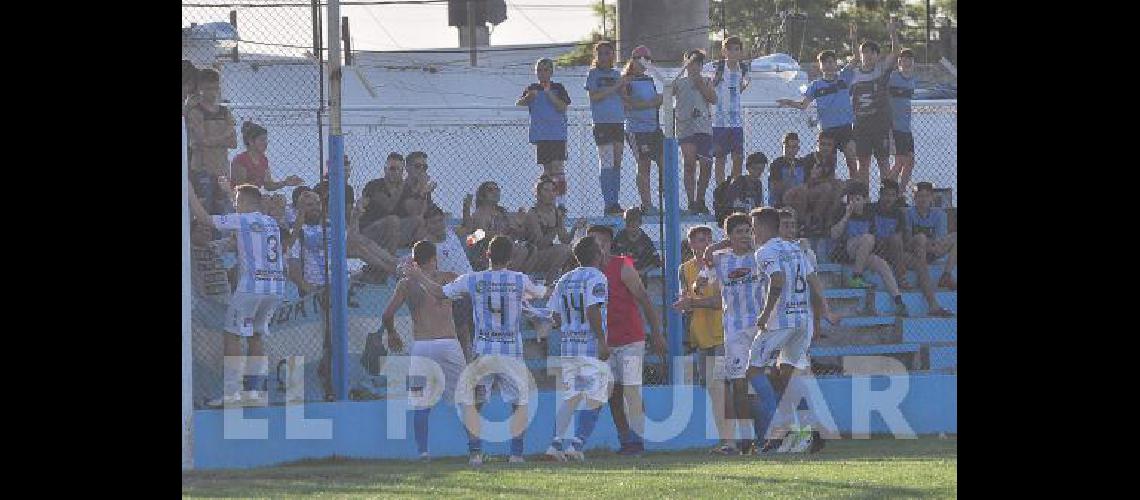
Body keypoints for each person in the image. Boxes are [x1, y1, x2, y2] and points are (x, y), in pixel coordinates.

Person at [403, 236, 549, 466]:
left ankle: (475, 454)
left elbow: (439, 292)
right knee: (519, 403)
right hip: (511, 352)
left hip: (484, 351)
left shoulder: (472, 280)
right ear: (511, 258)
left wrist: (418, 274)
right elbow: (542, 293)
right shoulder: (520, 280)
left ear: (487, 255)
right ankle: (516, 454)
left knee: (474, 402)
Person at [189, 181, 287, 408]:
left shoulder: (242, 220)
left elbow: (205, 219)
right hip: (275, 287)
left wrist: (190, 192)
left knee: (231, 333)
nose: (234, 205)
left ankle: (232, 393)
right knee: (255, 335)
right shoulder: (270, 222)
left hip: (251, 286)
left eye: (236, 201)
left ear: (243, 203)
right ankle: (255, 392)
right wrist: (227, 189)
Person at [746, 207, 834, 454]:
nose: (753, 231)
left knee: (753, 370)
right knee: (789, 377)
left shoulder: (765, 251)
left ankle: (779, 430)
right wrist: (824, 310)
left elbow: (777, 281)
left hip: (779, 322)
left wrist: (764, 314)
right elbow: (813, 279)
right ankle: (812, 430)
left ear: (763, 227)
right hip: (802, 320)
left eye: (754, 226)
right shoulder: (795, 248)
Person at [381, 240, 475, 461]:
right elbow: (469, 298)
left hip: (422, 346)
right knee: (463, 397)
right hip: (449, 343)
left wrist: (392, 333)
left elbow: (387, 314)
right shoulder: (449, 277)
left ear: (414, 260)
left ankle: (423, 452)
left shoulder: (406, 284)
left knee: (421, 402)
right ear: (435, 258)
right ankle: (475, 451)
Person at [587, 224, 667, 456]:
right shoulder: (586, 271)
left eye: (602, 242)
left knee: (631, 389)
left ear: (609, 244)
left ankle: (637, 440)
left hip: (630, 338)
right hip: (606, 341)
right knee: (613, 393)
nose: (598, 247)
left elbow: (644, 299)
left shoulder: (622, 265)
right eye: (593, 242)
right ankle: (626, 440)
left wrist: (657, 333)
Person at [542, 236, 612, 462]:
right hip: (589, 346)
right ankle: (576, 444)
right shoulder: (597, 277)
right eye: (600, 250)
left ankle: (554, 446)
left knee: (572, 396)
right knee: (597, 395)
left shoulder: (565, 279)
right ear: (596, 255)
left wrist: (569, 324)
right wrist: (602, 341)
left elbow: (553, 315)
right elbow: (592, 310)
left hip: (569, 346)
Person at [672, 225, 735, 454]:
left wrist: (692, 304)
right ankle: (727, 440)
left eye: (709, 239)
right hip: (701, 336)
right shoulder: (685, 269)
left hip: (722, 334)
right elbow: (685, 297)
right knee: (715, 391)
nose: (706, 244)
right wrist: (684, 303)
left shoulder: (721, 264)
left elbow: (719, 302)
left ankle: (732, 441)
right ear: (691, 245)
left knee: (722, 388)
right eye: (700, 240)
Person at [776, 50, 859, 180]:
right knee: (829, 165)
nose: (828, 65)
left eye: (831, 62)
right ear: (820, 66)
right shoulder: (816, 85)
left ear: (835, 64)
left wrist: (854, 39)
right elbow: (804, 105)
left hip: (845, 127)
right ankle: (830, 193)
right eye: (824, 63)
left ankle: (855, 191)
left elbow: (856, 59)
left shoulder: (843, 78)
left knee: (852, 161)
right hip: (828, 130)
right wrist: (788, 102)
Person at [842, 20, 900, 183]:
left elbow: (896, 53)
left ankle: (887, 195)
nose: (867, 55)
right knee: (863, 164)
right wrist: (853, 40)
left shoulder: (881, 70)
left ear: (877, 55)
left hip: (880, 125)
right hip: (860, 125)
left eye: (871, 52)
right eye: (864, 52)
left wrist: (893, 33)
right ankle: (864, 198)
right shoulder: (853, 73)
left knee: (883, 162)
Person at [517, 58, 572, 211]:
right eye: (539, 70)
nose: (542, 73)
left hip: (557, 134)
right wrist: (530, 97)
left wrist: (549, 94)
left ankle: (561, 203)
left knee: (558, 167)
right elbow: (520, 103)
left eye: (546, 70)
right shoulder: (532, 88)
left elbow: (563, 107)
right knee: (547, 171)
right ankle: (547, 202)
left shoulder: (558, 88)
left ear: (551, 72)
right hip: (541, 135)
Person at [584, 40, 629, 216]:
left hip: (617, 122)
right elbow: (595, 96)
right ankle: (608, 202)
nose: (604, 56)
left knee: (617, 162)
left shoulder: (617, 74)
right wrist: (616, 86)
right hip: (602, 122)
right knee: (607, 162)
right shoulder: (593, 74)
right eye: (600, 53)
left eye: (608, 53)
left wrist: (626, 84)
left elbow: (624, 96)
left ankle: (615, 201)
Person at [185, 68, 238, 215]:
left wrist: (215, 139)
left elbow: (234, 143)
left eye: (215, 87)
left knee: (224, 210)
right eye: (208, 88)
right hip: (203, 168)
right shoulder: (196, 111)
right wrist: (224, 136)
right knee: (204, 210)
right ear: (200, 88)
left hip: (222, 170)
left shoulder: (224, 112)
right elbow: (202, 140)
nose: (213, 92)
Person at [672, 48, 718, 214]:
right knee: (689, 164)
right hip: (685, 127)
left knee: (706, 165)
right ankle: (691, 201)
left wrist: (700, 84)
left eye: (698, 63)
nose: (694, 66)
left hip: (703, 127)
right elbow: (667, 93)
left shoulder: (706, 80)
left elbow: (713, 99)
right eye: (691, 63)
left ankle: (700, 198)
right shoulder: (679, 82)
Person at [622, 45, 666, 216]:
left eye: (648, 59)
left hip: (654, 128)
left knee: (665, 162)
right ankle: (647, 204)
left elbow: (657, 100)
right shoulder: (626, 80)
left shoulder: (649, 80)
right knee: (644, 165)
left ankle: (665, 196)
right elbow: (627, 104)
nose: (645, 63)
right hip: (637, 130)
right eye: (641, 59)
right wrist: (650, 104)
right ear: (633, 60)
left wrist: (659, 101)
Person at [710, 36, 751, 184]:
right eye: (729, 49)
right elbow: (711, 85)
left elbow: (744, 85)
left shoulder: (744, 68)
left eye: (736, 49)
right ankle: (721, 189)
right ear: (724, 51)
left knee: (738, 157)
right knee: (720, 158)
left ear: (740, 52)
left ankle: (735, 187)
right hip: (719, 121)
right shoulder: (718, 67)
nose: (733, 53)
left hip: (736, 121)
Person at [904, 182, 957, 290]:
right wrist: (927, 243)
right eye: (920, 196)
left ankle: (946, 276)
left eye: (927, 196)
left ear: (932, 198)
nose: (923, 199)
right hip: (915, 253)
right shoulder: (908, 213)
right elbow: (908, 239)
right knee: (921, 239)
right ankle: (922, 278)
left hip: (934, 250)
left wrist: (931, 245)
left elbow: (940, 240)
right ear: (915, 198)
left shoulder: (940, 214)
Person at [230, 121, 304, 191]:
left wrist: (285, 183)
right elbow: (240, 187)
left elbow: (268, 185)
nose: (265, 143)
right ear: (251, 141)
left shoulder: (263, 160)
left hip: (256, 196)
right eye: (262, 140)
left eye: (266, 140)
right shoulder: (240, 160)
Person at [887, 48, 919, 192]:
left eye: (909, 59)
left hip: (906, 128)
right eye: (904, 59)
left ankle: (900, 193)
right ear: (899, 61)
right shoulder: (892, 77)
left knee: (910, 161)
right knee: (899, 161)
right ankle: (887, 190)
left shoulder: (912, 80)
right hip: (894, 127)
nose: (907, 62)